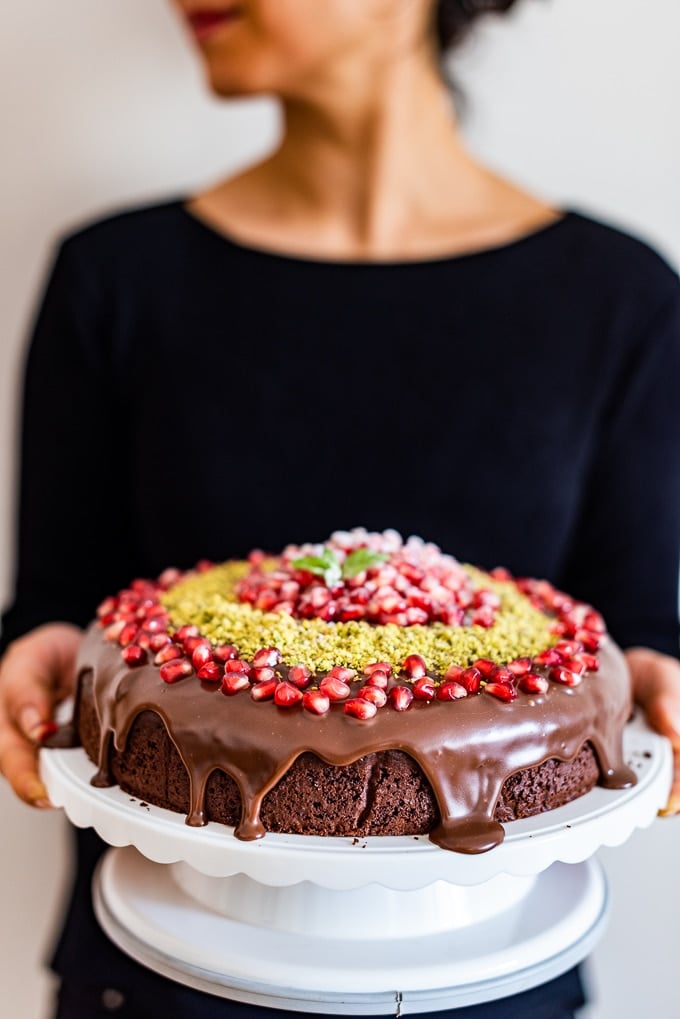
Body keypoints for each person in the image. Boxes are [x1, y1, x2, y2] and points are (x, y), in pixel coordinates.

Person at [1, 0, 679, 1016]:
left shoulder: (617, 298)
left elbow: (629, 627)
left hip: (490, 968)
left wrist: (658, 681)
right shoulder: (117, 277)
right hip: (162, 971)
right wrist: (36, 650)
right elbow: (59, 598)